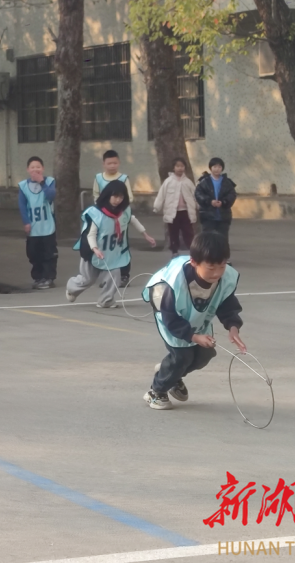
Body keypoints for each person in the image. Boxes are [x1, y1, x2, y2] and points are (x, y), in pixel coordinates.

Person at [141, 232, 245, 410]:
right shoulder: (173, 284)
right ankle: (155, 392)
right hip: (172, 318)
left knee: (205, 355)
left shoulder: (224, 278)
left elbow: (227, 304)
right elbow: (170, 318)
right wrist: (193, 337)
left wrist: (233, 327)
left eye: (222, 266)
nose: (217, 273)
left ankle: (170, 373)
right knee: (182, 356)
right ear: (194, 262)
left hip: (197, 317)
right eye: (211, 268)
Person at [67, 180, 156, 308]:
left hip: (112, 252)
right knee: (87, 279)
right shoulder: (96, 213)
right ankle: (71, 288)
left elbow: (133, 220)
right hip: (94, 252)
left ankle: (106, 300)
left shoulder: (124, 211)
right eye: (115, 196)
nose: (118, 200)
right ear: (108, 195)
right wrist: (95, 249)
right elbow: (90, 234)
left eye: (121, 197)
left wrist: (145, 235)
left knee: (114, 275)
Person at [93, 150, 135, 285]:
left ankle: (123, 275)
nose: (112, 165)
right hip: (104, 218)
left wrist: (120, 209)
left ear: (119, 163)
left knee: (122, 246)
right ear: (103, 164)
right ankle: (106, 276)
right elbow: (96, 196)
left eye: (115, 163)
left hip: (120, 217)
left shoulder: (123, 178)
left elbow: (129, 197)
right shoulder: (99, 178)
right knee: (105, 246)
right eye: (109, 163)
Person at [19, 156, 57, 289]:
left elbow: (51, 196)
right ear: (28, 169)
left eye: (38, 167)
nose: (35, 169)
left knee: (49, 253)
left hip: (47, 226)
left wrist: (42, 182)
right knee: (34, 253)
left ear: (43, 168)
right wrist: (26, 222)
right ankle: (38, 277)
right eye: (32, 167)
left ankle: (48, 277)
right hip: (33, 227)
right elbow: (22, 205)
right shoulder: (23, 186)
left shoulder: (50, 181)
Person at [153, 157, 198, 258]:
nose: (180, 168)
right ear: (173, 168)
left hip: (186, 212)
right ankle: (174, 251)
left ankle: (193, 251)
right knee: (173, 233)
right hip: (172, 213)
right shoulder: (168, 182)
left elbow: (195, 195)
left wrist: (199, 206)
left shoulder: (188, 182)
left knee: (188, 232)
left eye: (182, 166)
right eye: (177, 166)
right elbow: (161, 195)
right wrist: (156, 207)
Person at [195, 157, 237, 246]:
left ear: (222, 168)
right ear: (210, 168)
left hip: (223, 216)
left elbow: (232, 194)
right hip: (207, 216)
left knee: (223, 240)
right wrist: (209, 201)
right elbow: (198, 194)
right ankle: (208, 257)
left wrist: (224, 202)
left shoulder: (227, 182)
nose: (217, 169)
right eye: (214, 166)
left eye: (219, 167)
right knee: (208, 240)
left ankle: (223, 258)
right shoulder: (204, 181)